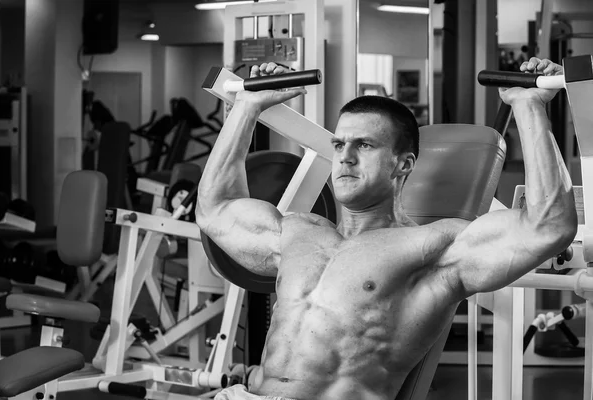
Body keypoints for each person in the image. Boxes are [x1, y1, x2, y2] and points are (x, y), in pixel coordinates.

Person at [195, 58, 577, 400]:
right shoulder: (298, 232)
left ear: (403, 165)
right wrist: (246, 107)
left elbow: (548, 226)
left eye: (364, 145)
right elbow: (215, 209)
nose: (343, 156)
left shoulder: (432, 248)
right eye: (339, 143)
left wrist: (529, 108)